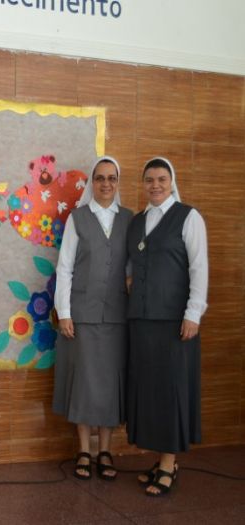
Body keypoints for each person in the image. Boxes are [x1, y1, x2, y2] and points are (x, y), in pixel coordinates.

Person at [126, 157, 208, 497]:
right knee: (150, 392)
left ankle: (168, 464)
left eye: (161, 179)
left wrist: (194, 314)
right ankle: (160, 460)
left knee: (171, 392)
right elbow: (131, 262)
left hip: (175, 322)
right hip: (142, 321)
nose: (155, 185)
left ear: (172, 182)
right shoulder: (137, 221)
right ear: (143, 184)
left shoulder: (189, 217)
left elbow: (199, 268)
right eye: (149, 180)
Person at [53, 156, 133, 481]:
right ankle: (84, 450)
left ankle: (105, 451)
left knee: (110, 385)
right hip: (82, 315)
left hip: (117, 317)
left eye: (112, 178)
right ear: (92, 182)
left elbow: (132, 267)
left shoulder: (129, 219)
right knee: (85, 383)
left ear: (117, 182)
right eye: (100, 178)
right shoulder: (78, 218)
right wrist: (64, 312)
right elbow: (64, 268)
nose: (106, 183)